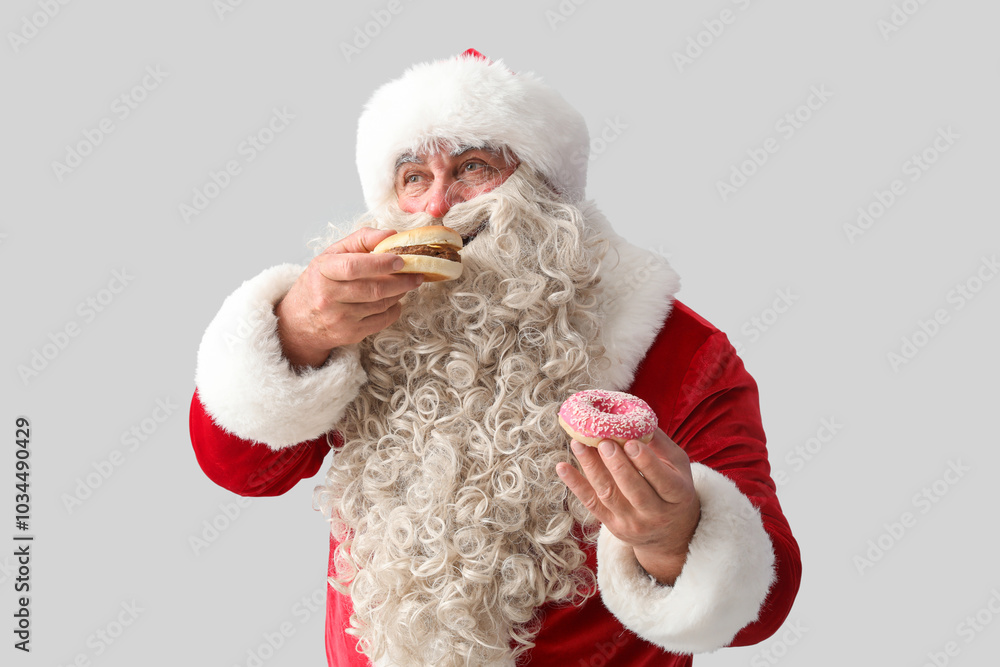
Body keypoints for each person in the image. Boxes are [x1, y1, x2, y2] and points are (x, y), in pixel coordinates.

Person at [189, 49, 801, 667]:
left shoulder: (679, 350)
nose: (436, 208)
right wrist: (296, 333)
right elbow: (238, 469)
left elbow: (764, 600)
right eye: (413, 177)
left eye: (472, 166)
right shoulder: (357, 316)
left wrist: (674, 540)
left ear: (545, 188)